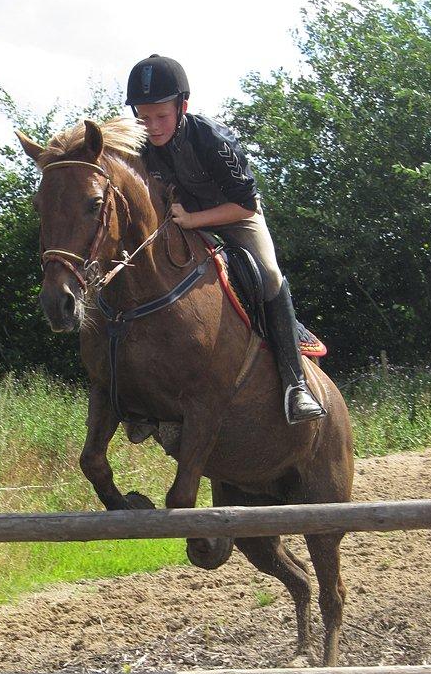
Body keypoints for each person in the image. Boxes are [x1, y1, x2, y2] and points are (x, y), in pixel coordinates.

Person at [125, 53, 325, 424]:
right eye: (143, 116)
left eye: (161, 116)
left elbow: (245, 206)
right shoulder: (139, 146)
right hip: (181, 223)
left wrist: (194, 219)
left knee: (268, 275)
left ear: (183, 107)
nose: (151, 126)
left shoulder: (212, 139)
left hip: (233, 215)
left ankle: (295, 385)